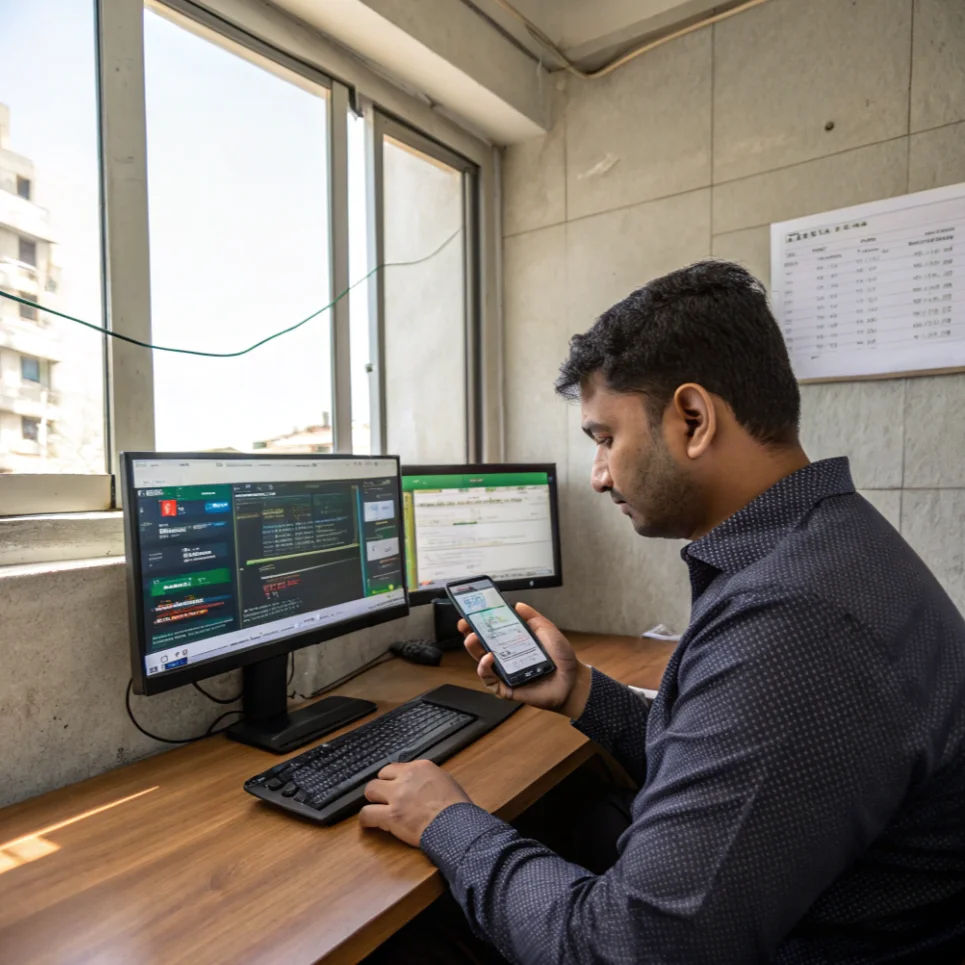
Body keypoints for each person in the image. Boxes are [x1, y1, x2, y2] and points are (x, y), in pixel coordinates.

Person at [359, 261, 965, 964]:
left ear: (692, 418)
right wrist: (583, 690)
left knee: (413, 938)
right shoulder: (824, 542)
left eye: (604, 438)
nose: (597, 474)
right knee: (583, 816)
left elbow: (625, 950)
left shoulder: (793, 617)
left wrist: (446, 819)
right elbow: (731, 768)